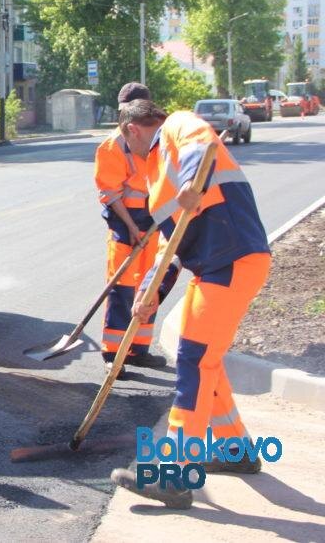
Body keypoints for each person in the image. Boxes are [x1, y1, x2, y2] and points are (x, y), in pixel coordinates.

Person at [109, 99, 271, 509]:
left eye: (124, 145)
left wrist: (190, 186)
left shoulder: (178, 126)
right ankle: (237, 451)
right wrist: (150, 296)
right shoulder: (156, 172)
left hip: (231, 258)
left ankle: (175, 476)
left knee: (194, 361)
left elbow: (204, 146)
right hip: (214, 267)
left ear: (132, 131)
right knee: (204, 358)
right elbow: (171, 247)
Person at [93, 83, 166, 377]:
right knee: (122, 287)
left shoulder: (158, 139)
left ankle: (138, 349)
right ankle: (114, 352)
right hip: (126, 223)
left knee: (150, 286)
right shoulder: (112, 147)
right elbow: (109, 193)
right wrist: (133, 227)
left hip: (156, 220)